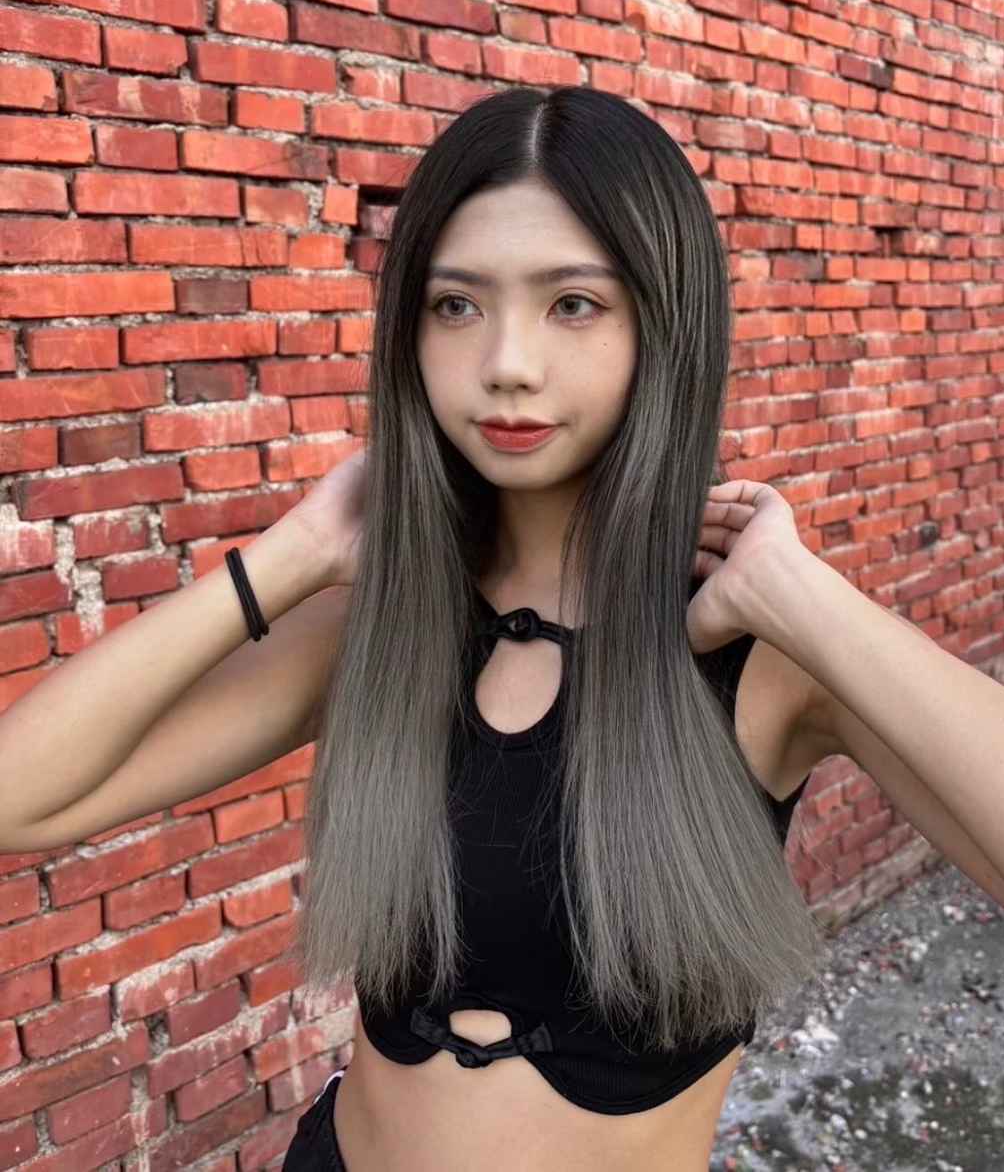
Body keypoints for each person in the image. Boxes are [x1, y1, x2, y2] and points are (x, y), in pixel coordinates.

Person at [0, 86, 849, 1170]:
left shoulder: (759, 647)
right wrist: (296, 553)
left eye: (573, 303)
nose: (506, 362)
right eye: (455, 305)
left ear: (665, 323)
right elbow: (19, 798)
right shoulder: (382, 626)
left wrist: (811, 608)